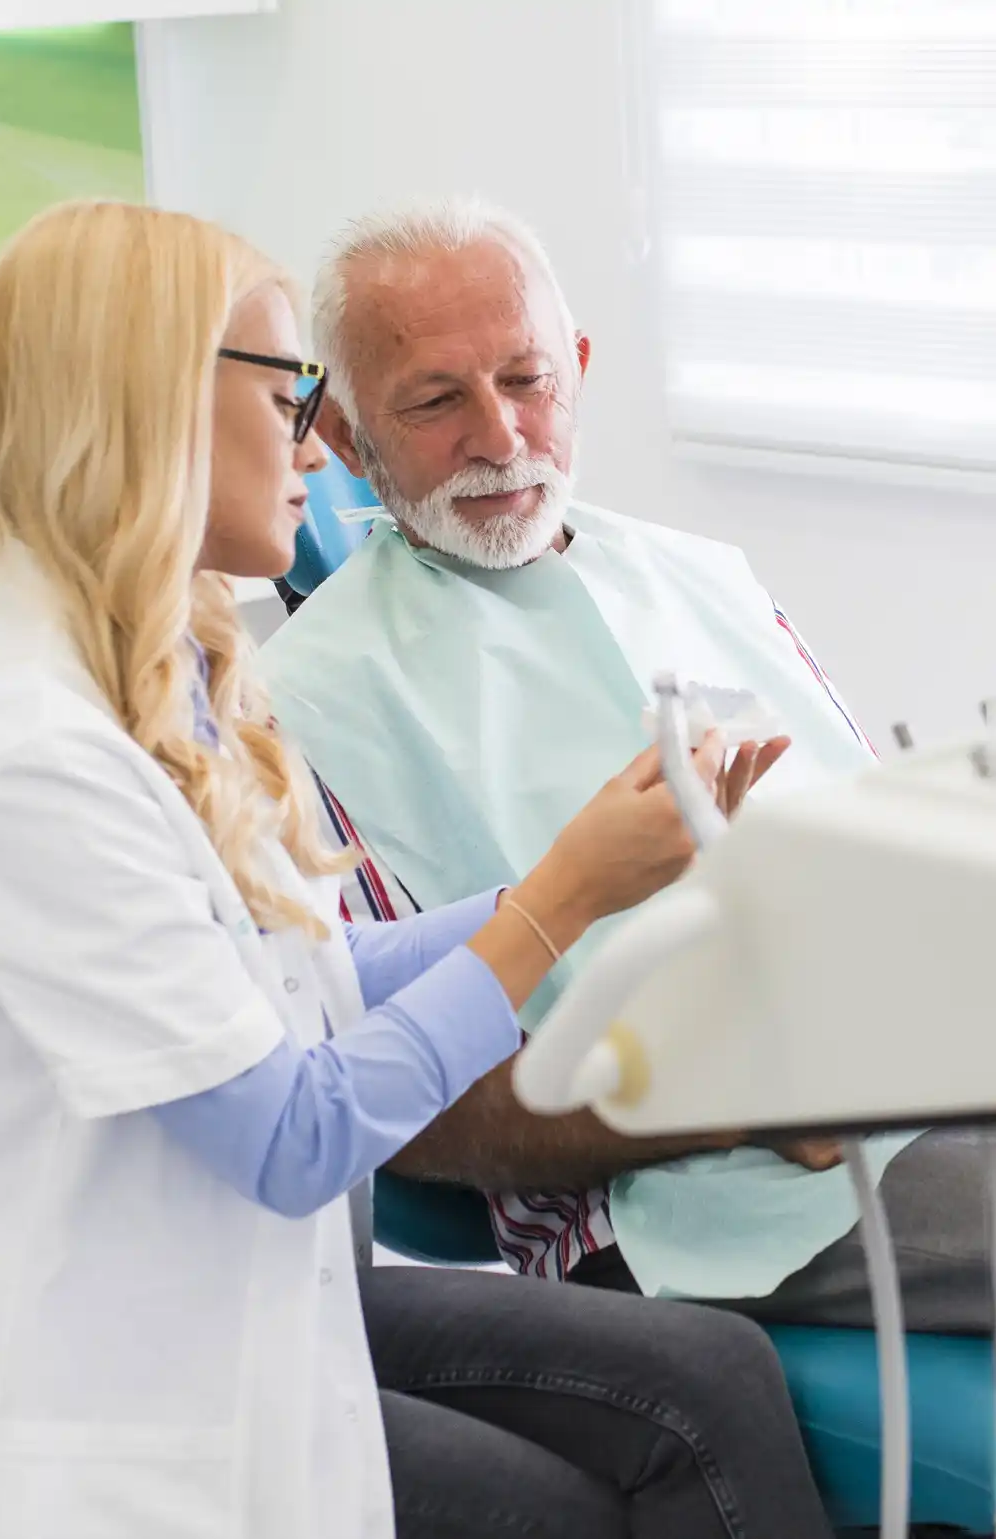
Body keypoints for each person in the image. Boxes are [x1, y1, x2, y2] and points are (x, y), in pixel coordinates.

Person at [0, 200, 836, 1539]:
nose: (309, 435)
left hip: (234, 1281)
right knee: (570, 1507)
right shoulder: (18, 753)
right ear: (148, 410)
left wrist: (584, 869)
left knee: (708, 1378)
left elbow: (304, 965)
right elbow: (290, 1133)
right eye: (290, 391)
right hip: (122, 1382)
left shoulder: (142, 682)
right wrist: (560, 905)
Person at [261, 196, 991, 1333]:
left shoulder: (708, 574)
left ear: (579, 369)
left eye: (525, 379)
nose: (500, 438)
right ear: (349, 440)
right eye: (436, 401)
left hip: (920, 1066)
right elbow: (400, 1112)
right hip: (699, 1197)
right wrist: (743, 1094)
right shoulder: (303, 706)